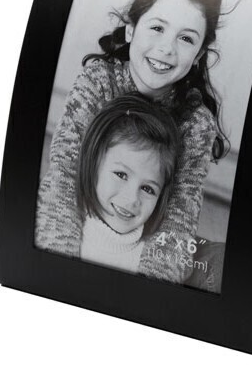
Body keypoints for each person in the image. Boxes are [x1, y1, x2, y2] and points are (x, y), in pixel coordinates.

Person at [35, 0, 229, 283]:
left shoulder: (196, 123)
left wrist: (147, 291)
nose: (166, 49)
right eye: (157, 28)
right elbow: (64, 176)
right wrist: (59, 270)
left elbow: (178, 217)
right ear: (131, 29)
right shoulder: (98, 82)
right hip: (91, 216)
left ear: (198, 55)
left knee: (219, 263)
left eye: (186, 39)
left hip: (145, 233)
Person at [76, 94, 179, 274]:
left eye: (148, 189)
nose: (132, 199)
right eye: (121, 175)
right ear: (93, 163)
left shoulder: (153, 261)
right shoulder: (61, 230)